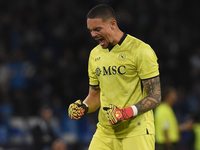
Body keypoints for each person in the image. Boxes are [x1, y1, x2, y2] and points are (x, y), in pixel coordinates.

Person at [68, 4, 161, 150]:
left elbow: (155, 96)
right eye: (90, 30)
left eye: (97, 29)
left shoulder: (141, 50)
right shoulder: (95, 55)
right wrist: (84, 107)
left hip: (136, 131)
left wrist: (125, 113)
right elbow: (94, 96)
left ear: (113, 24)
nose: (93, 35)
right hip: (105, 133)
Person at [154, 86, 193, 150]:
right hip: (166, 144)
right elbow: (164, 126)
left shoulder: (168, 108)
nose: (176, 96)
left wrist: (184, 127)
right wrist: (168, 143)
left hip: (168, 143)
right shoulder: (163, 109)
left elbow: (171, 127)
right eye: (173, 94)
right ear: (168, 96)